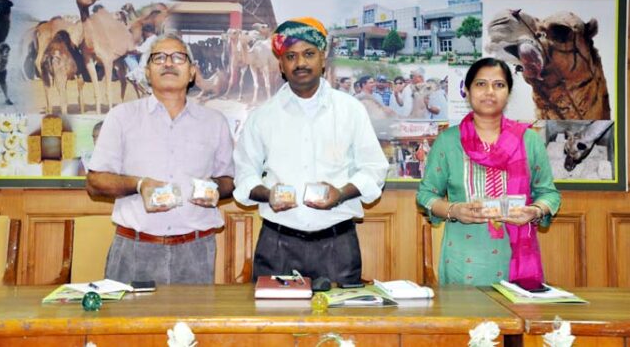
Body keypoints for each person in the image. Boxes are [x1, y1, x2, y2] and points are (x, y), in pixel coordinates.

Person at [233, 17, 388, 284]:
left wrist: (340, 194)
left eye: (308, 54)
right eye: (291, 56)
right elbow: (245, 176)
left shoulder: (350, 110)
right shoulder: (262, 116)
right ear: (280, 64)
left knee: (338, 325)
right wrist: (268, 194)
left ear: (322, 59)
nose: (300, 63)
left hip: (337, 244)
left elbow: (374, 170)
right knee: (273, 325)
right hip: (277, 244)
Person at [86, 34, 235, 285]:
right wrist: (139, 184)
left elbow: (229, 181)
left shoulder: (214, 122)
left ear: (191, 73)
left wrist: (215, 188)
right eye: (159, 58)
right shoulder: (121, 117)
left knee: (189, 325)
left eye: (178, 57)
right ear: (147, 72)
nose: (168, 63)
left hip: (195, 250)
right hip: (134, 248)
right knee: (127, 325)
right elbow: (95, 182)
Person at [416, 57, 560, 287]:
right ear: (467, 90)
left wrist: (534, 211)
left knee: (514, 322)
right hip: (463, 259)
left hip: (515, 258)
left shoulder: (528, 140)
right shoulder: (448, 141)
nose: (489, 91)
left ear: (508, 93)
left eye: (499, 85)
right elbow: (426, 195)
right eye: (481, 84)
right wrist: (454, 210)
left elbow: (549, 194)